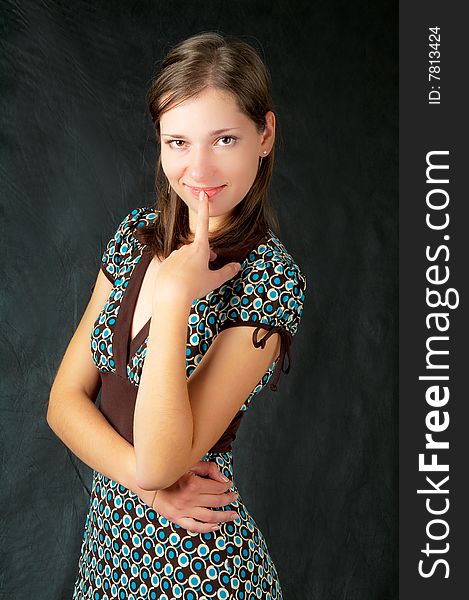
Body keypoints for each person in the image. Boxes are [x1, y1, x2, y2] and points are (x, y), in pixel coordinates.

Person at [47, 31, 306, 600]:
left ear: (265, 135)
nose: (199, 168)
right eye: (179, 142)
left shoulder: (268, 278)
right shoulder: (133, 240)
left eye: (225, 139)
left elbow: (162, 462)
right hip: (109, 561)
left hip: (200, 570)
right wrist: (149, 492)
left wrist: (174, 300)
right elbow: (63, 403)